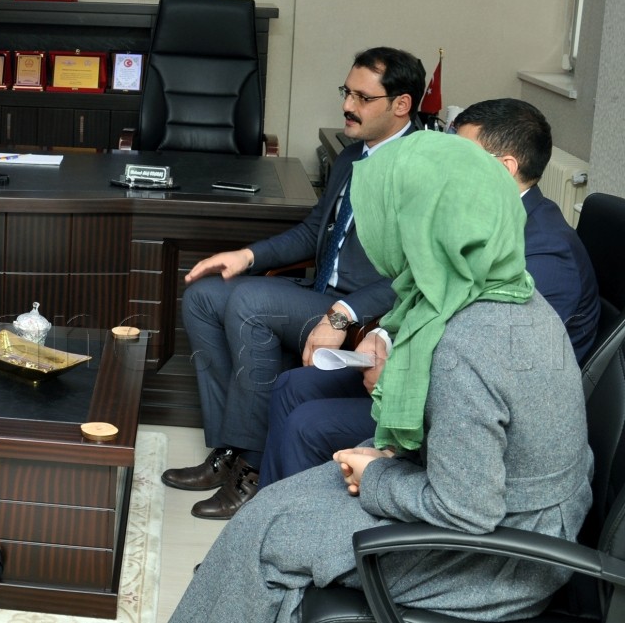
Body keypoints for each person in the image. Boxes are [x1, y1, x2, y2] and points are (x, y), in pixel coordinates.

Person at [169, 130, 592, 623]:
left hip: (499, 559)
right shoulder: (501, 287)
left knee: (264, 539)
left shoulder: (468, 342)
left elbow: (467, 511)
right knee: (270, 510)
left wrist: (375, 476)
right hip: (503, 511)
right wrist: (383, 456)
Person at [259, 97, 602, 487]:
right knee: (293, 385)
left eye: (459, 158)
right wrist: (383, 335)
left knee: (308, 424)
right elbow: (426, 291)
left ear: (504, 168)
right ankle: (270, 505)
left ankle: (303, 518)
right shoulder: (479, 218)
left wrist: (395, 374)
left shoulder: (546, 252)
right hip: (435, 369)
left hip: (483, 418)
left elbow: (495, 367)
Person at [160, 47, 424, 519]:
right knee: (204, 295)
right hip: (322, 297)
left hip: (366, 317)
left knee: (252, 301)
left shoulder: (421, 169)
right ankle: (228, 450)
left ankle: (255, 466)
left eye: (362, 98)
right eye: (347, 92)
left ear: (401, 104)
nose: (347, 106)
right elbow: (312, 231)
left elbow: (418, 275)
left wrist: (344, 313)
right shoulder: (353, 154)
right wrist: (246, 256)